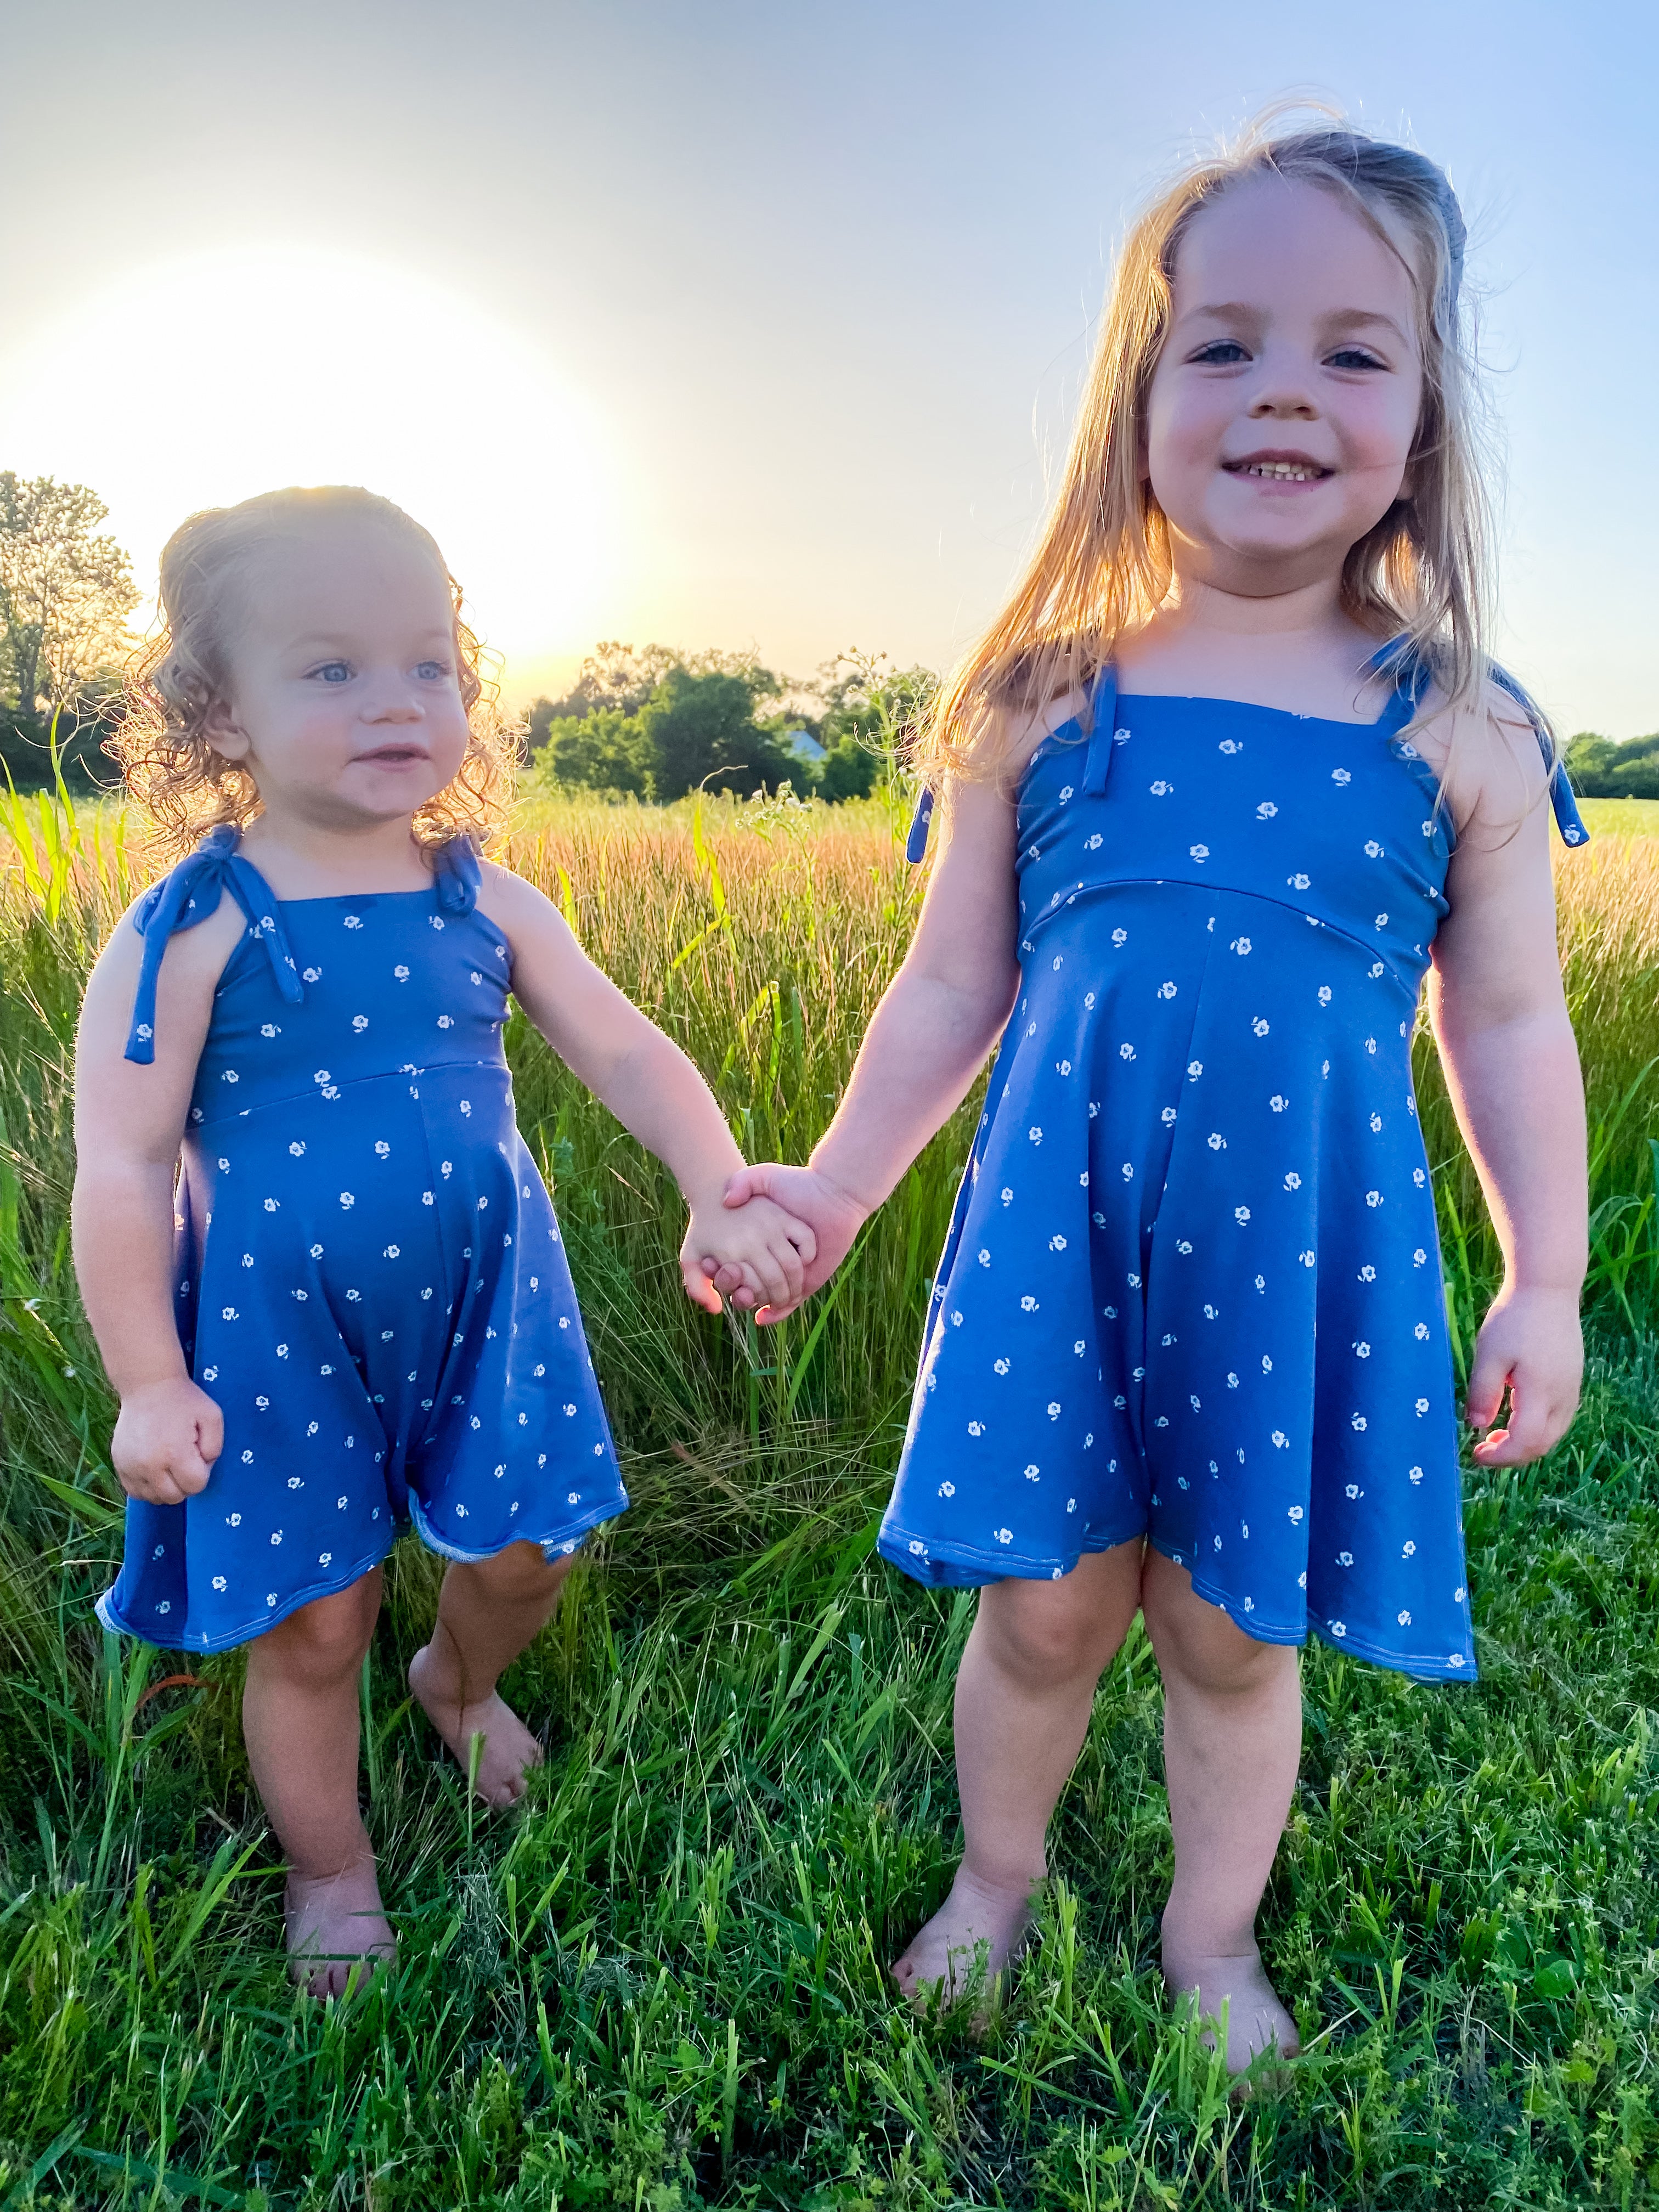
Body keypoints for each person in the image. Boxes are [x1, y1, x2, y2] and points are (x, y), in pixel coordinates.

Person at [716, 118, 1588, 2069]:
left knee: (1229, 1631)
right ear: (1137, 392)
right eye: (1226, 345)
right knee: (1040, 1612)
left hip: (1290, 1265)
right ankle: (996, 1884)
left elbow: (1511, 1025)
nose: (1287, 387)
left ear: (1429, 416)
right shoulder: (1043, 695)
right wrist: (842, 1189)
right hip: (1060, 1244)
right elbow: (953, 985)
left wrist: (1546, 1273)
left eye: (1357, 352)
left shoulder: (1459, 723)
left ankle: (1213, 1945)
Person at [74, 484, 814, 1996]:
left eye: (428, 662)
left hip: (489, 1303)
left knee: (531, 1553)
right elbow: (120, 1165)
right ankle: (331, 1872)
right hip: (277, 1334)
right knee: (310, 1618)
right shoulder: (192, 925)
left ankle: (456, 1680)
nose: (396, 700)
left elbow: (626, 1054)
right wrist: (148, 1378)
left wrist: (714, 1177)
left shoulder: (487, 901)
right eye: (331, 669)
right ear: (220, 719)